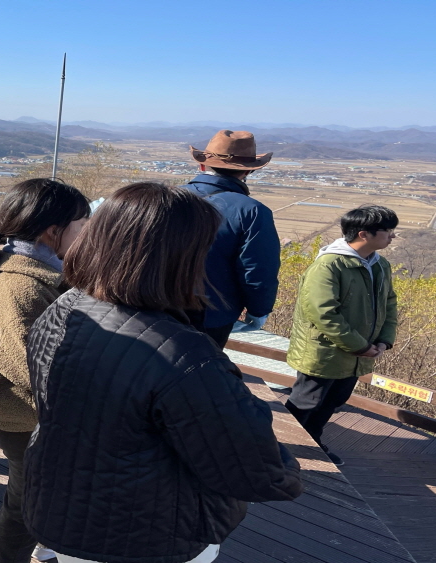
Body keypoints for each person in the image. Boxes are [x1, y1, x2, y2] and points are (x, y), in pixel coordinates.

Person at [24, 182, 304, 563]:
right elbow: (256, 471)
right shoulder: (182, 354)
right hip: (149, 532)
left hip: (64, 511)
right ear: (180, 257)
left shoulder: (65, 307)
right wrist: (286, 468)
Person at [0, 178, 90, 563]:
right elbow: (35, 371)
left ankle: (47, 537)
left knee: (32, 499)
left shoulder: (38, 271)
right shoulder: (21, 287)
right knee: (22, 508)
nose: (88, 233)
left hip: (33, 418)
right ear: (53, 232)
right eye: (83, 224)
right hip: (28, 421)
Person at [285, 205, 399, 467]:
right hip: (324, 353)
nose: (392, 236)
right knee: (306, 402)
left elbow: (389, 304)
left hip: (358, 354)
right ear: (364, 234)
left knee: (333, 402)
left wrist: (383, 340)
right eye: (388, 230)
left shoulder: (380, 265)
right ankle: (279, 449)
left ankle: (312, 442)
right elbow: (322, 313)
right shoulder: (329, 265)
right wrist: (359, 346)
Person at [183, 129, 280, 349]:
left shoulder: (163, 197)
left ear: (202, 165)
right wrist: (259, 310)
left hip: (151, 304)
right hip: (211, 315)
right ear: (247, 172)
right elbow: (257, 270)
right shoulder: (252, 211)